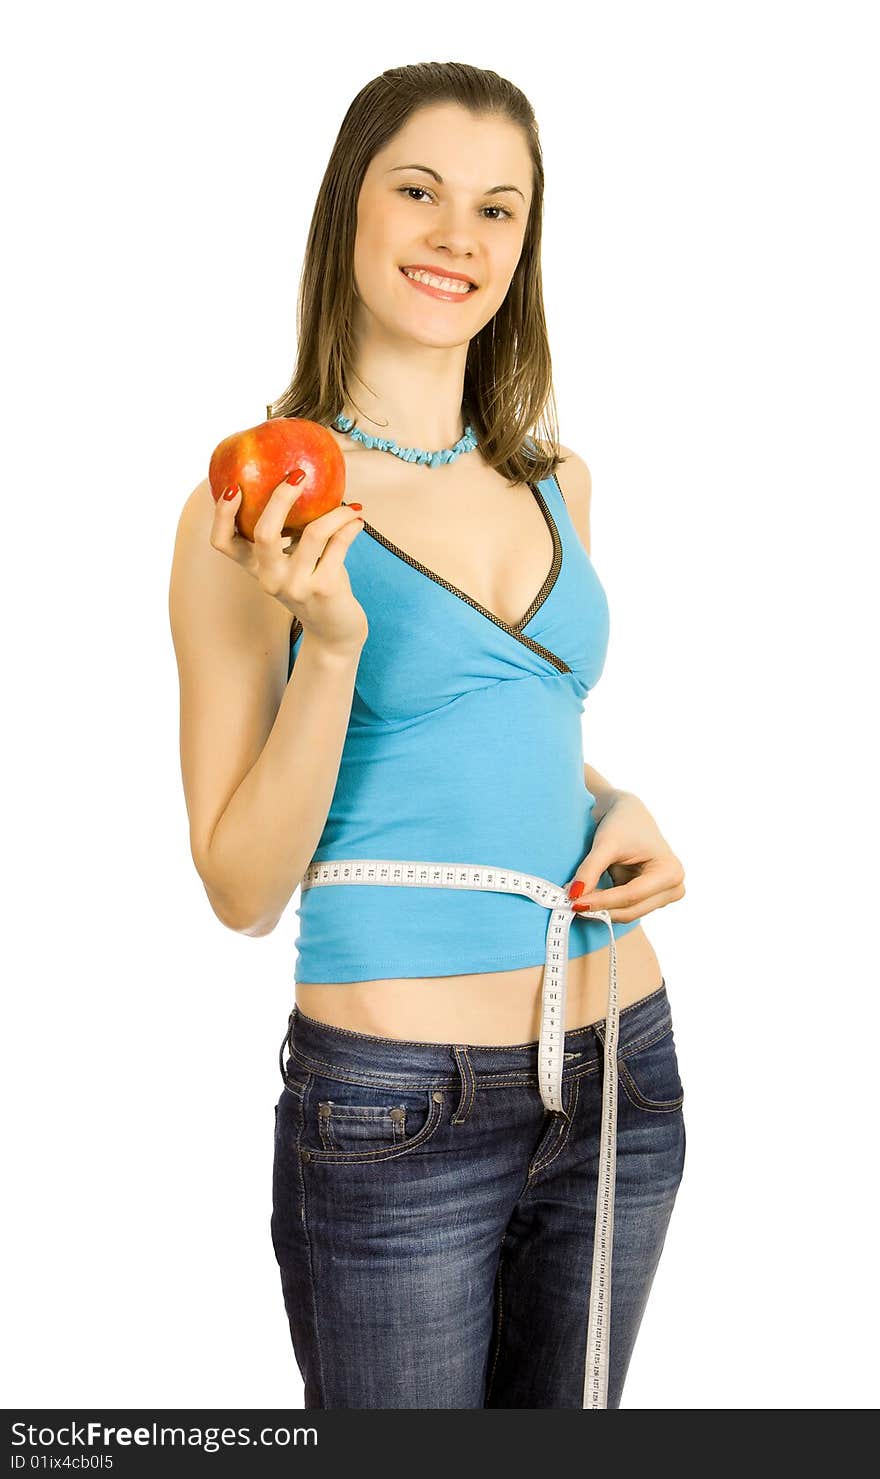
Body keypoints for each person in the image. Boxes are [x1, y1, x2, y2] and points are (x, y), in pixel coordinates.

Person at [169, 62, 687, 1409]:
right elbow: (238, 884)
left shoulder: (557, 483)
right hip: (397, 1102)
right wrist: (331, 647)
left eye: (499, 210)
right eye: (419, 192)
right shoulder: (259, 498)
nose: (460, 237)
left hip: (621, 1060)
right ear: (351, 208)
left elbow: (495, 730)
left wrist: (616, 799)